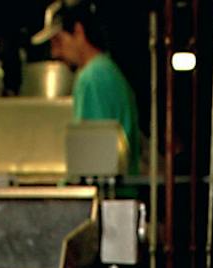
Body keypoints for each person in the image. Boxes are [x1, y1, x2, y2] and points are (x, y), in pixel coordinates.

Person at [33, 2, 138, 168]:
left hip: (105, 192)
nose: (55, 53)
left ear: (78, 31)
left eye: (58, 41)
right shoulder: (108, 70)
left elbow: (93, 161)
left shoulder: (92, 77)